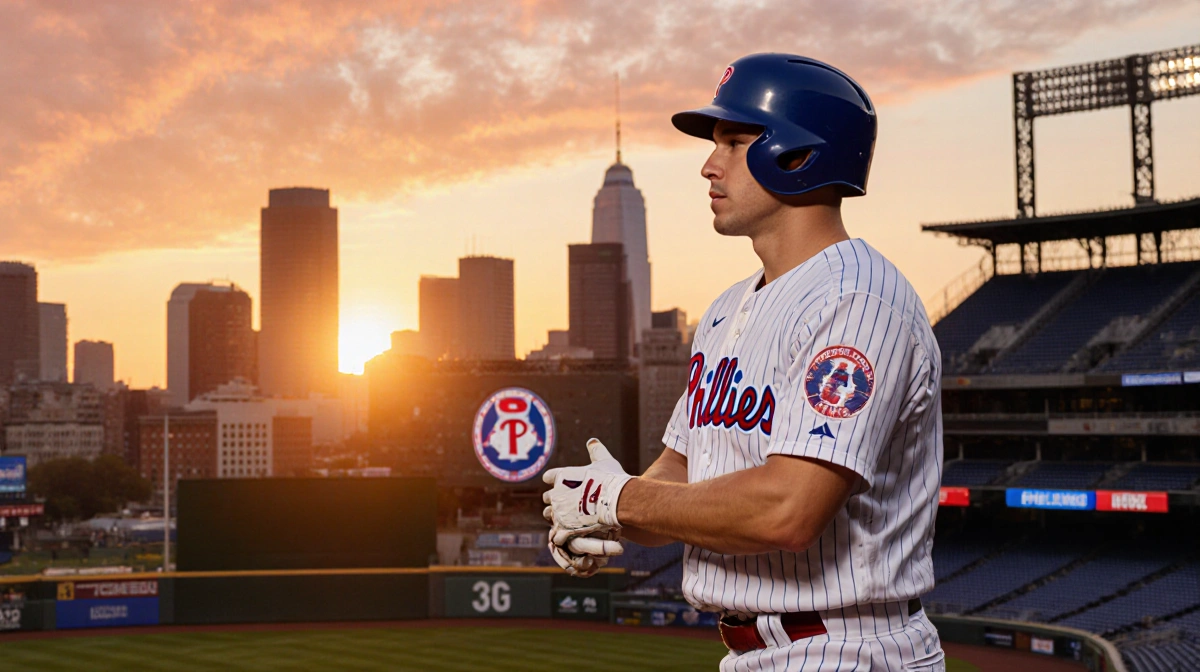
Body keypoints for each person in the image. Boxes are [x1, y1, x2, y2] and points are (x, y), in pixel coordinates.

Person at [543, 53, 945, 671]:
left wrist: (620, 501)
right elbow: (679, 479)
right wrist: (601, 510)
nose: (709, 164)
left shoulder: (857, 300)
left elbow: (788, 510)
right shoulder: (728, 311)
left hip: (847, 648)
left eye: (733, 141)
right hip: (759, 653)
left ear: (797, 153)